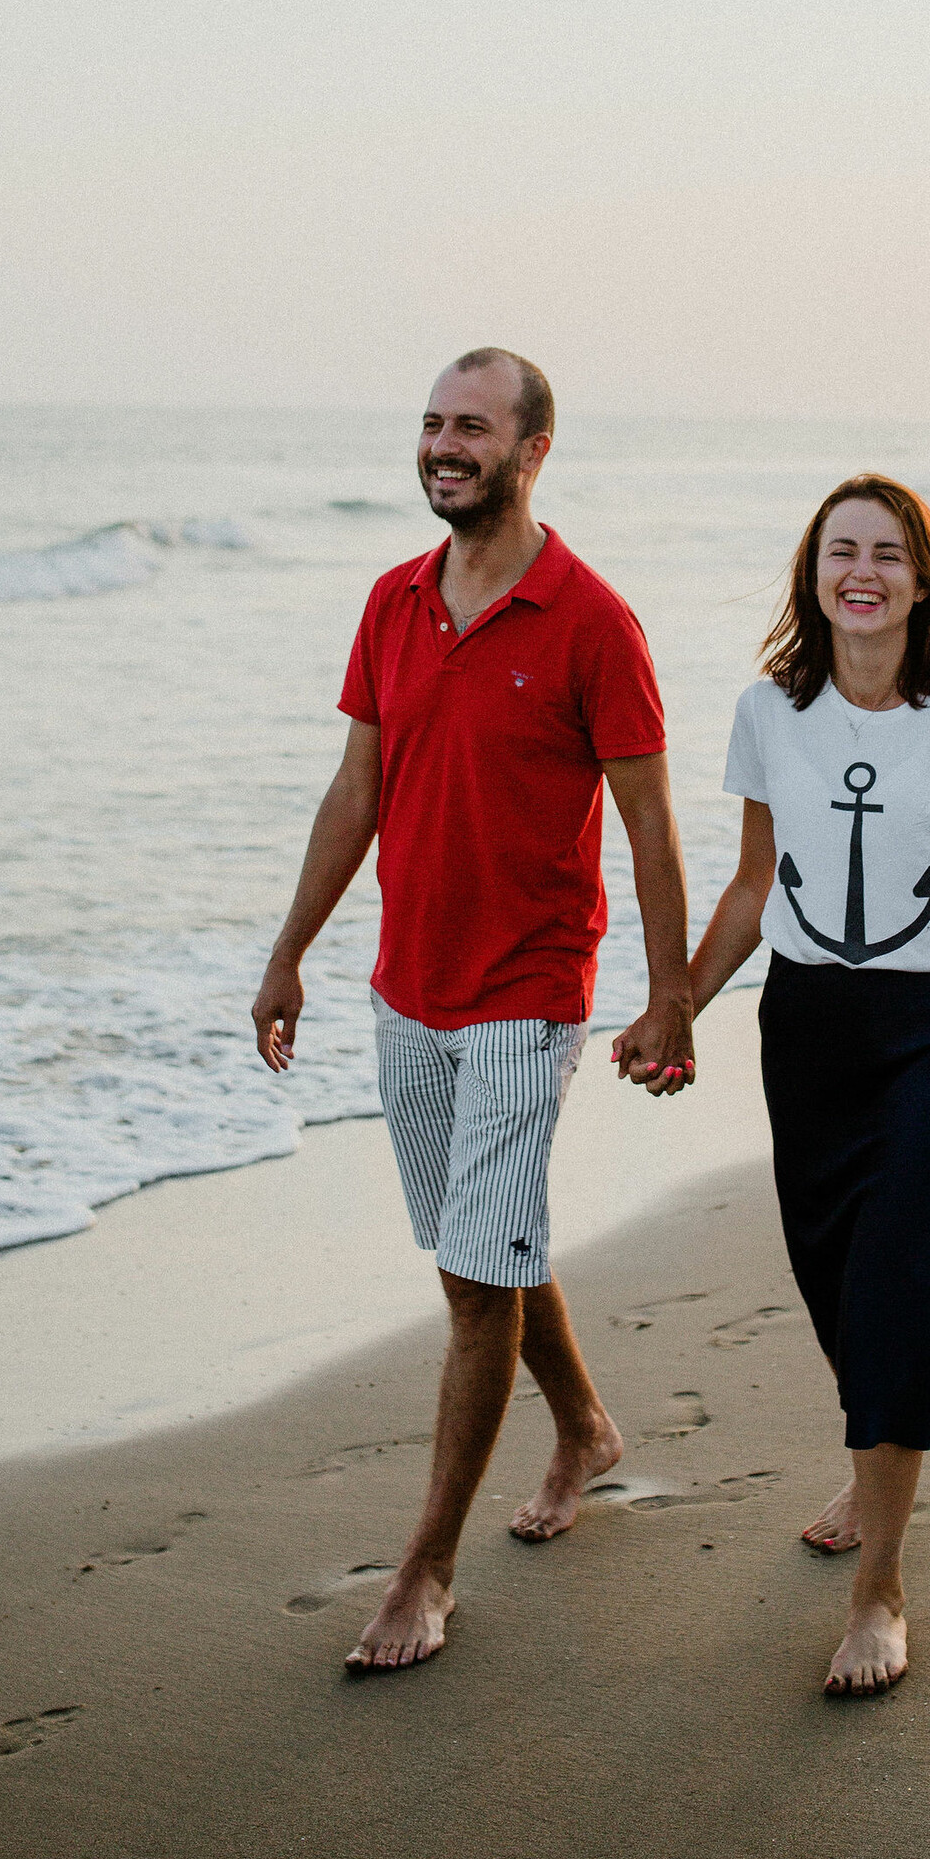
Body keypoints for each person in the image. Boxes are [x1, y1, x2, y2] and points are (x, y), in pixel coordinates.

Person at [251, 348, 695, 1675]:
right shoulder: (392, 602)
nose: (446, 447)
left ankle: (425, 1571)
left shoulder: (593, 621)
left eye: (473, 428)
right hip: (409, 985)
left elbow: (651, 824)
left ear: (533, 449)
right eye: (434, 425)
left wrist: (670, 998)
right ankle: (587, 1431)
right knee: (475, 1251)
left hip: (527, 988)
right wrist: (290, 955)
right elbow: (354, 796)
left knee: (473, 1280)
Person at [685, 473, 930, 1697]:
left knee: (893, 1288)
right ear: (813, 572)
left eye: (889, 552)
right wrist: (676, 999)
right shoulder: (769, 712)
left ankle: (880, 1588)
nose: (863, 572)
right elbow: (752, 885)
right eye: (842, 551)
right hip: (810, 1026)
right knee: (831, 1272)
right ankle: (870, 1448)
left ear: (924, 579)